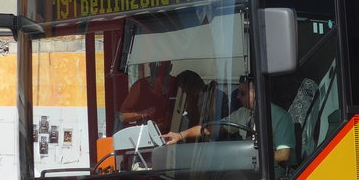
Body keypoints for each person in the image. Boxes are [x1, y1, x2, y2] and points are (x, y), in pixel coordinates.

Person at [162, 77, 295, 163]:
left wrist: (251, 157)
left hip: (271, 175)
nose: (237, 97)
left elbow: (283, 155)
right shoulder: (243, 113)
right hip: (248, 168)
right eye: (238, 92)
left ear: (257, 93)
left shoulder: (280, 117)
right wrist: (180, 135)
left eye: (242, 93)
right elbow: (209, 129)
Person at [119, 61, 177, 129]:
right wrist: (142, 114)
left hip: (173, 135)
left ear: (170, 67)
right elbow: (123, 116)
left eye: (163, 66)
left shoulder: (176, 84)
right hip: (146, 135)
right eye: (156, 65)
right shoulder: (140, 86)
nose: (158, 68)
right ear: (150, 66)